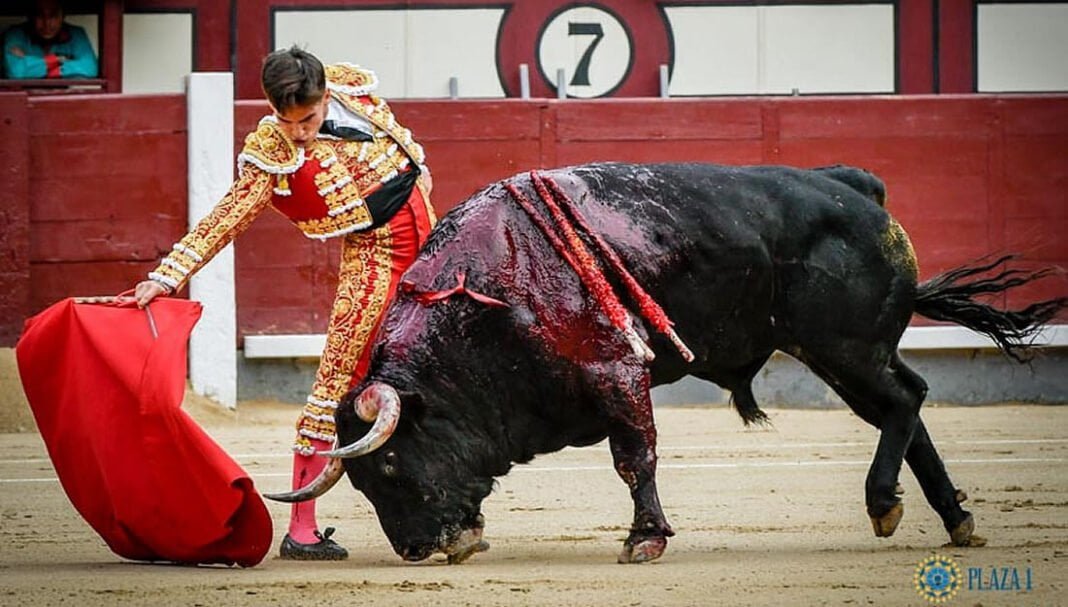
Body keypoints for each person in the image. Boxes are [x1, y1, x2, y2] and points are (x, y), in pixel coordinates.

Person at [133, 47, 436, 560]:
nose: (299, 131)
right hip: (375, 259)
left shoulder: (351, 89)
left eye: (309, 118)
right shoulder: (271, 151)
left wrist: (421, 166)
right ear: (271, 107)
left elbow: (398, 137)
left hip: (431, 245)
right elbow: (225, 218)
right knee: (334, 386)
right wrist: (167, 276)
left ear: (325, 95)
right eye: (286, 119)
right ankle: (302, 530)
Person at [3, 0, 98, 79]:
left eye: (53, 15)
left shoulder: (76, 34)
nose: (47, 23)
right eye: (40, 15)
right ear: (30, 17)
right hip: (24, 99)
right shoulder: (15, 34)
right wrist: (60, 60)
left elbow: (90, 68)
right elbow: (15, 71)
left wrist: (33, 65)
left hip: (63, 98)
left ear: (63, 16)